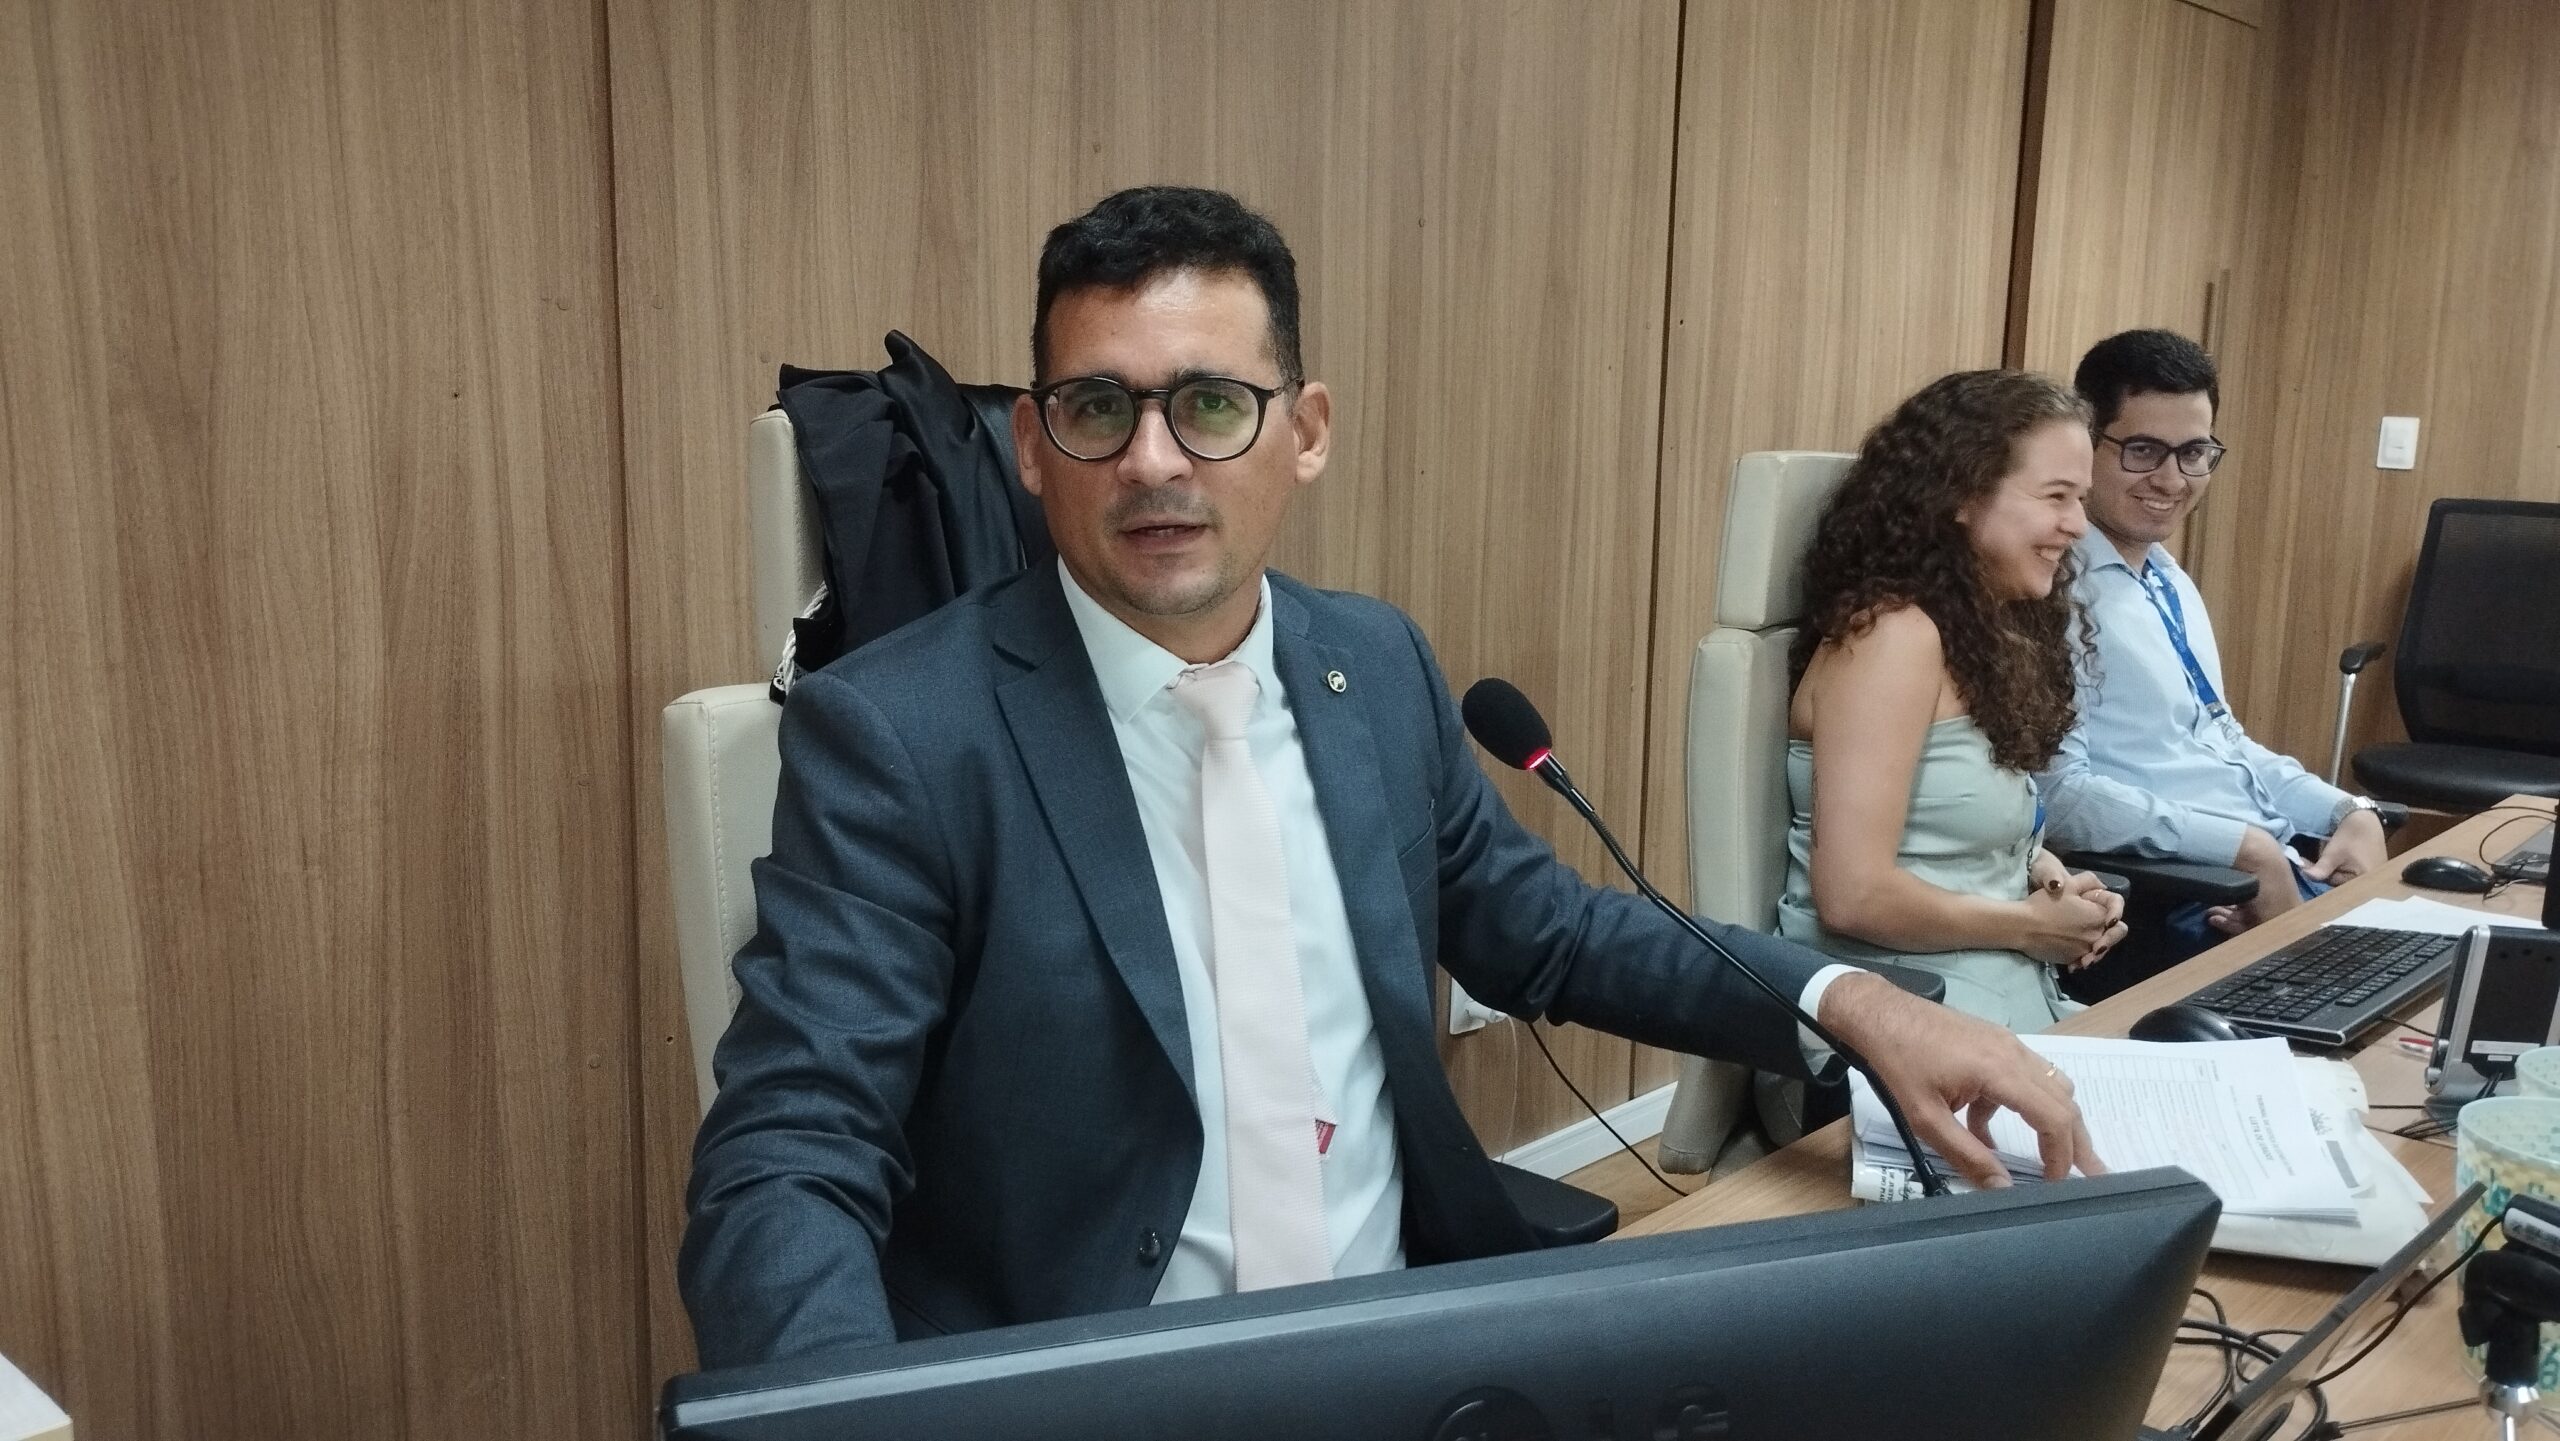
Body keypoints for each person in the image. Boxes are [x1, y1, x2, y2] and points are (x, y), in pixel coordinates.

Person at [678, 186, 2099, 1368]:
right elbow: (791, 1151)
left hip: (1405, 1348)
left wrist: (1848, 1001)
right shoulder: (902, 734)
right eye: (1099, 407)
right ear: (1035, 450)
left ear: (1306, 431)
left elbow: (1546, 932)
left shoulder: (1372, 662)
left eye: (1213, 403)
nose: (1155, 461)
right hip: (1099, 1377)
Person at [1777, 370, 2128, 1031]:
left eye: (2081, 499)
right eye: (2056, 496)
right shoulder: (1889, 637)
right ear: (1963, 494)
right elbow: (1852, 896)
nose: (2079, 524)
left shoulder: (1978, 633)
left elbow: (1951, 830)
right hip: (1891, 1025)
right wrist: (2029, 926)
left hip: (1989, 1004)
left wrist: (2047, 880)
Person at [2038, 330, 2385, 959]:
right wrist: (2244, 849)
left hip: (2272, 863)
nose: (2172, 479)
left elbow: (2221, 740)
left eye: (2193, 452)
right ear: (2086, 443)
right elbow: (2056, 796)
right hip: (2194, 893)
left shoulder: (2165, 576)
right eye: (2143, 450)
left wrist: (2349, 810)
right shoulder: (2052, 589)